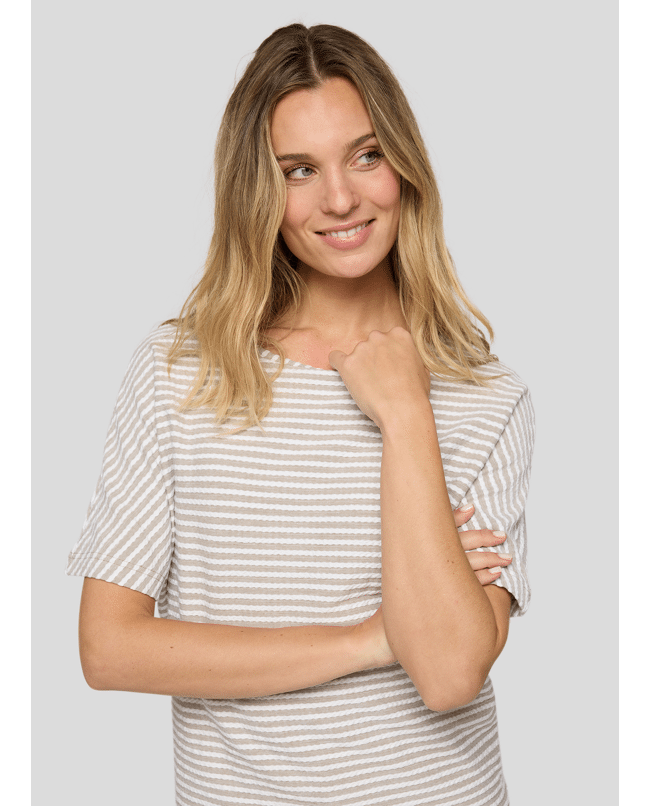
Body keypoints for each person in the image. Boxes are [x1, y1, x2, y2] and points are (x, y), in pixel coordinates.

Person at [67, 23, 534, 806]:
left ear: (404, 166)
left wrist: (406, 413)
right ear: (258, 189)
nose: (341, 199)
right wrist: (372, 638)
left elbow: (450, 672)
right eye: (299, 171)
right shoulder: (181, 373)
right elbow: (109, 650)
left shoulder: (485, 395)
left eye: (366, 155)